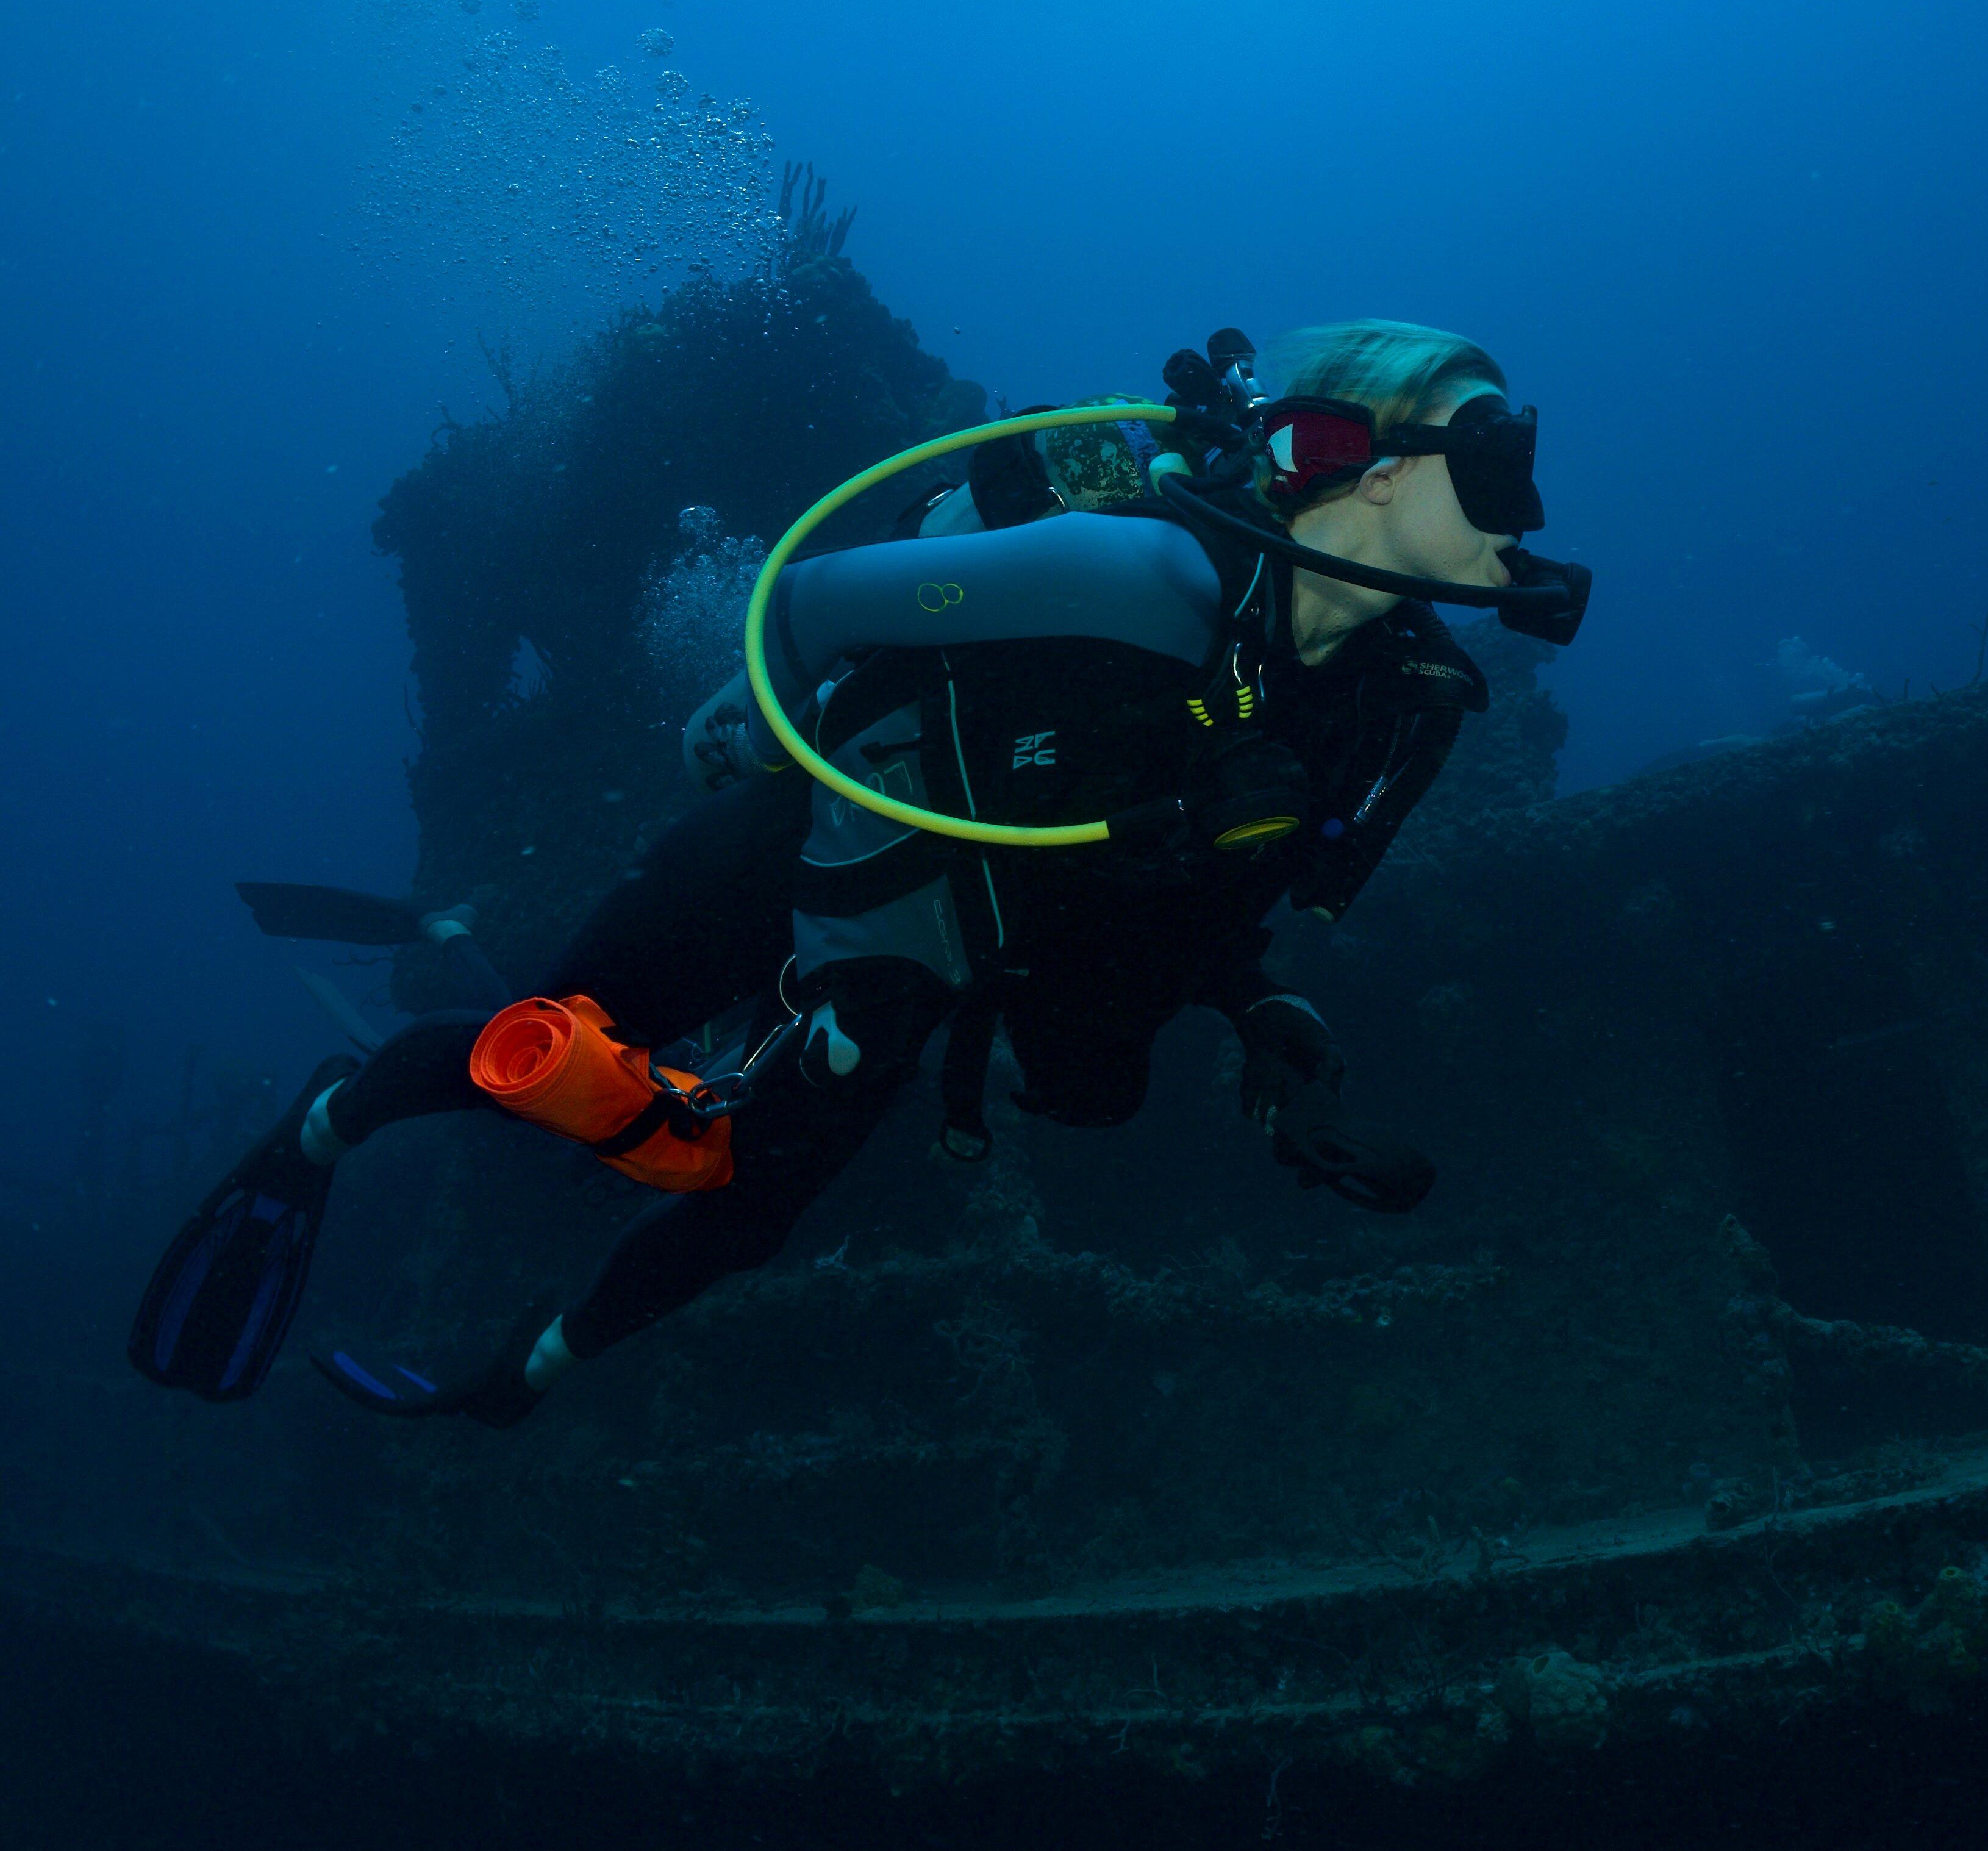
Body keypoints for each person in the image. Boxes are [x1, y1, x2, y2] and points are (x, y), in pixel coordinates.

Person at [129, 322, 1590, 1426]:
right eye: (1499, 456)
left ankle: (519, 1376)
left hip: (949, 935)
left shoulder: (1397, 697)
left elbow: (1202, 883)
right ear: (1379, 470)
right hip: (812, 841)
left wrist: (1260, 1006)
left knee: (748, 1203)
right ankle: (329, 1123)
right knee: (571, 1049)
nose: (1526, 509)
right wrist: (758, 724)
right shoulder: (1146, 578)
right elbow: (818, 602)